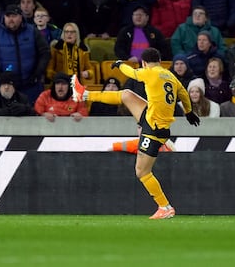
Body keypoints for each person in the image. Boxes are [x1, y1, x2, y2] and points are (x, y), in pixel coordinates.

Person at [71, 47, 201, 219]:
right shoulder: (170, 76)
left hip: (154, 129)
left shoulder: (149, 72)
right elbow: (184, 94)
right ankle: (84, 95)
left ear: (144, 63)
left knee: (142, 172)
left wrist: (119, 64)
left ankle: (165, 207)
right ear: (160, 62)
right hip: (151, 118)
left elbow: (131, 72)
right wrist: (189, 112)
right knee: (126, 95)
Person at [0, 3, 51, 104]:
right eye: (8, 16)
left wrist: (37, 74)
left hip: (31, 84)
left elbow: (45, 53)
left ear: (21, 17)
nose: (10, 19)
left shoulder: (32, 31)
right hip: (5, 86)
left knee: (32, 115)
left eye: (14, 16)